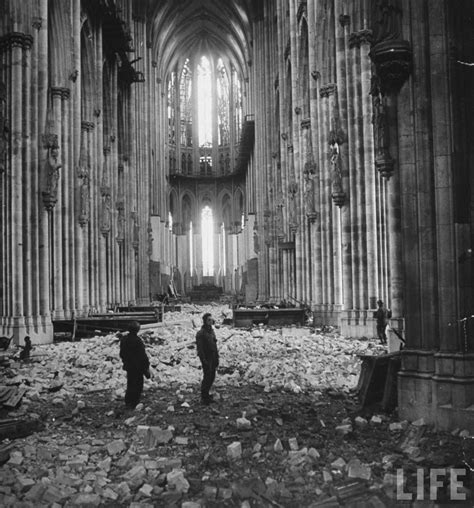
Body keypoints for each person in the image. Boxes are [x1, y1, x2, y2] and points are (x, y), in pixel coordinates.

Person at [119, 321, 150, 409]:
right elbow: (142, 356)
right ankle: (134, 402)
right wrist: (146, 367)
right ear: (137, 330)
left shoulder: (124, 340)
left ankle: (128, 401)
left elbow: (122, 354)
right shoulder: (138, 341)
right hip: (138, 367)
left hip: (129, 366)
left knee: (130, 384)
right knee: (138, 385)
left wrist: (125, 361)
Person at [196, 313, 219, 405]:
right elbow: (200, 349)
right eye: (209, 320)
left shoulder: (212, 331)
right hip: (207, 357)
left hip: (213, 357)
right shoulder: (201, 333)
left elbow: (215, 345)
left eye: (211, 320)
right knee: (207, 377)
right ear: (205, 321)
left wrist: (217, 358)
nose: (211, 321)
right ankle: (204, 397)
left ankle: (207, 394)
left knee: (212, 376)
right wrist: (203, 360)